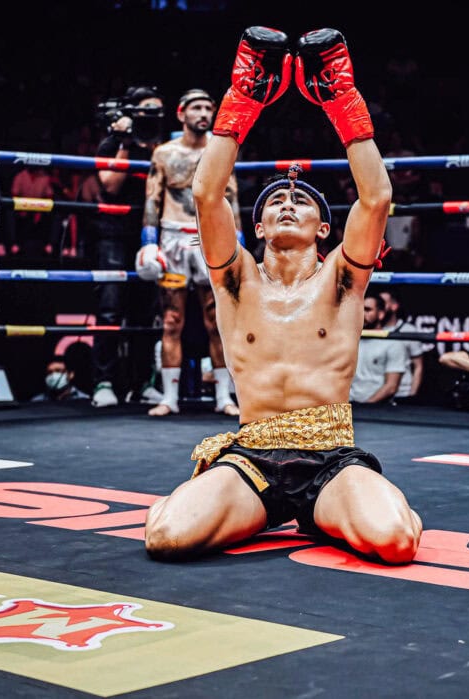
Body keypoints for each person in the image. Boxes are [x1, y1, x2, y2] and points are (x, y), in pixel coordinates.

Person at [143, 26, 422, 564]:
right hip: (253, 458)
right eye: (274, 202)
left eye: (301, 200)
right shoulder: (236, 278)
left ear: (324, 228)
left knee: (396, 542)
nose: (286, 204)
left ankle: (348, 506)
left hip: (330, 455)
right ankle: (248, 506)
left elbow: (377, 196)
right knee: (167, 538)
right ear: (259, 227)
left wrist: (344, 101)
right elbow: (206, 192)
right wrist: (241, 100)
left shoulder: (342, 278)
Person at [136, 87, 241, 417]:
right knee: (171, 320)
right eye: (196, 108)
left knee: (217, 320)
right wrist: (148, 241)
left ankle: (224, 396)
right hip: (171, 237)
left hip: (209, 238)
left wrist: (237, 243)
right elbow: (152, 200)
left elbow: (232, 198)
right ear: (181, 113)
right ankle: (170, 398)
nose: (204, 114)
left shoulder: (221, 151)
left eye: (208, 108)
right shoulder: (164, 153)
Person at [89, 86, 166, 409]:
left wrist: (151, 147)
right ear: (133, 112)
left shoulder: (163, 146)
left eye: (157, 111)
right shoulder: (112, 142)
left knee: (146, 311)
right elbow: (111, 184)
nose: (152, 117)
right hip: (114, 235)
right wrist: (123, 141)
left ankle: (142, 382)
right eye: (146, 110)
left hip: (149, 234)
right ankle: (103, 382)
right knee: (110, 306)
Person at [350, 291, 409, 404]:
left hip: (378, 410)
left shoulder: (393, 344)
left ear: (381, 314)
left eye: (367, 310)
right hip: (349, 406)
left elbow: (391, 386)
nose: (362, 314)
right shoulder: (349, 342)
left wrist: (367, 406)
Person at [379, 289, 424, 404]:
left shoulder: (408, 330)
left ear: (394, 306)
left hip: (402, 392)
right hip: (376, 392)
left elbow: (418, 366)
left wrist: (412, 395)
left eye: (383, 302)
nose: (379, 306)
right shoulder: (371, 331)